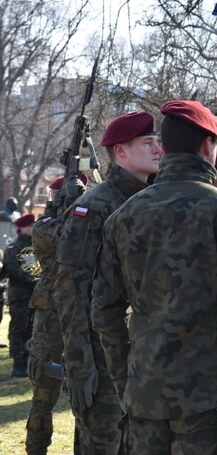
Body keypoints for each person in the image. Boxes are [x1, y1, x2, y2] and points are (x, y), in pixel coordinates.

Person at [92, 100, 217, 452]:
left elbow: (104, 312)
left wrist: (125, 381)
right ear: (208, 146)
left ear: (166, 147)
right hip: (208, 398)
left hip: (144, 392)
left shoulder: (124, 217)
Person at [54, 111, 161, 453]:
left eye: (157, 141)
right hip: (102, 363)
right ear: (121, 151)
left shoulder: (154, 201)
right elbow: (70, 291)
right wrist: (81, 366)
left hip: (145, 358)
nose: (158, 149)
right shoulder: (94, 207)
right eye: (147, 143)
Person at [25, 175, 85, 455]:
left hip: (83, 312)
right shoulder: (44, 226)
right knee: (43, 392)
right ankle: (36, 448)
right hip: (50, 315)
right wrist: (73, 206)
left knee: (86, 396)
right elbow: (66, 234)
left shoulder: (89, 219)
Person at [4, 213, 38, 378]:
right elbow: (13, 269)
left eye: (33, 226)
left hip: (35, 295)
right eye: (29, 226)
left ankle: (28, 362)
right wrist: (32, 280)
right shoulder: (13, 247)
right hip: (20, 296)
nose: (32, 229)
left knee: (32, 329)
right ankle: (18, 365)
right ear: (21, 228)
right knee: (19, 329)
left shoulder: (38, 245)